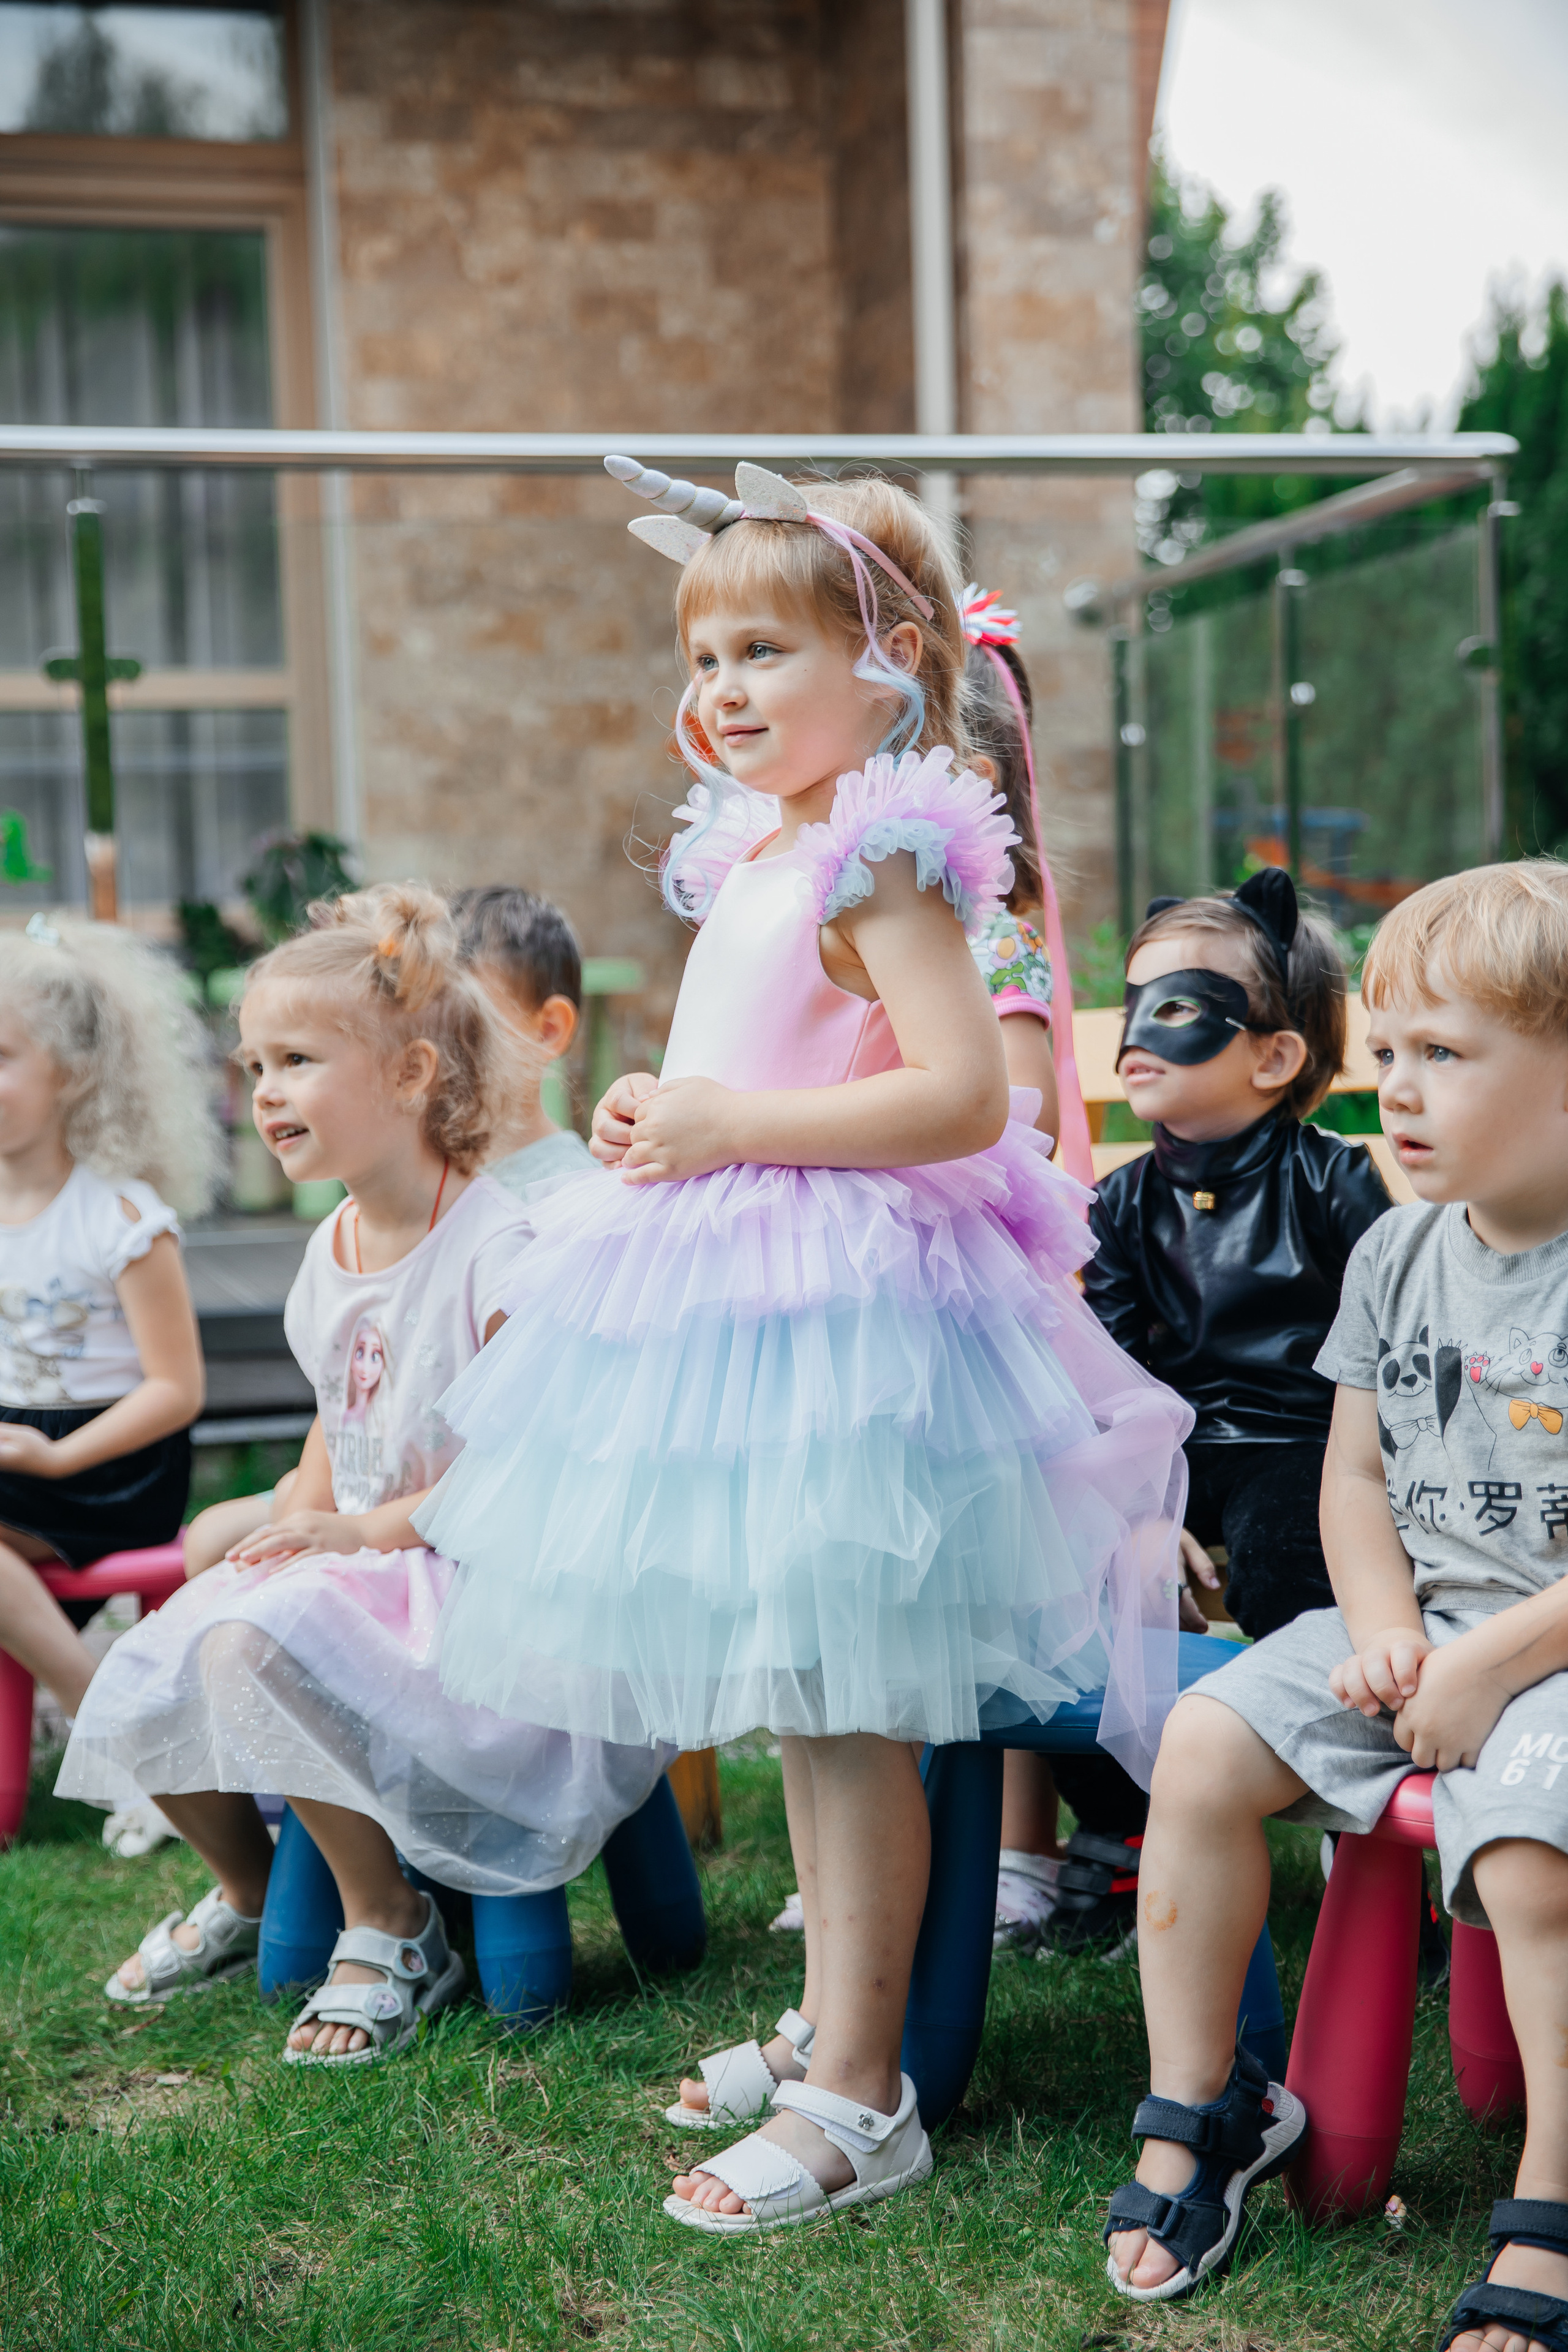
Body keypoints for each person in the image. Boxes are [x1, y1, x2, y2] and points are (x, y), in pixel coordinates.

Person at [415, 457, 1192, 2231]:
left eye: (766, 648)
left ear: (890, 657)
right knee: (797, 1704)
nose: (724, 691)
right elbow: (763, 1061)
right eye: (702, 659)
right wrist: (663, 1115)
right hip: (742, 1298)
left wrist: (731, 1125)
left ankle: (864, 2093)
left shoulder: (881, 857)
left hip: (849, 1318)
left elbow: (962, 1096)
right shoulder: (761, 850)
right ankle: (834, 2014)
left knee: (850, 1718)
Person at [59, 884, 669, 2062]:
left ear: (410, 1076)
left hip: (478, 1576)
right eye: (254, 1066)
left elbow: (525, 1475)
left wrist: (359, 1534)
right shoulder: (324, 1253)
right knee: (149, 1665)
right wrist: (293, 1522)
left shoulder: (496, 1246)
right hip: (362, 1559)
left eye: (296, 1059)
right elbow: (342, 1423)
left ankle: (391, 1922)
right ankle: (251, 1890)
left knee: (253, 1639)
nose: (266, 1090)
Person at [1103, 859, 1568, 2352]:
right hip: (1422, 1622)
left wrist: (1491, 1658)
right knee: (1198, 1744)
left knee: (1529, 1858)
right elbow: (1354, 1476)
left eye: (1445, 1054)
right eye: (1390, 1053)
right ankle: (1205, 2108)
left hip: (1547, 1642)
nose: (1400, 1094)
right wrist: (1382, 1629)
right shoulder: (1394, 1247)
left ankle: (1552, 2190)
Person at [1004, 870, 1395, 1959]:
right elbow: (1117, 1369)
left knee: (1284, 1567)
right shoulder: (1120, 1205)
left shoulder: (1330, 1182)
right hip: (1175, 1446)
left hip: (1311, 1445)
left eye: (1179, 1008)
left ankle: (1351, 1814)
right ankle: (1127, 1825)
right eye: (1132, 1005)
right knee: (1060, 1574)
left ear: (1273, 1056)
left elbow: (1383, 1342)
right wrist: (1136, 1503)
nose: (1138, 1035)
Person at [0, 915, 215, 1855]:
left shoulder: (120, 1215)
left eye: (2, 1055)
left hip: (111, 1460)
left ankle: (118, 1734)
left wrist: (58, 1456)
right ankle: (122, 1729)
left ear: (73, 1074)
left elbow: (177, 1388)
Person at [449, 884, 597, 1202]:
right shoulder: (424, 1177)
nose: (439, 1047)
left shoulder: (573, 1194)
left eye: (469, 1022)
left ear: (548, 1031)